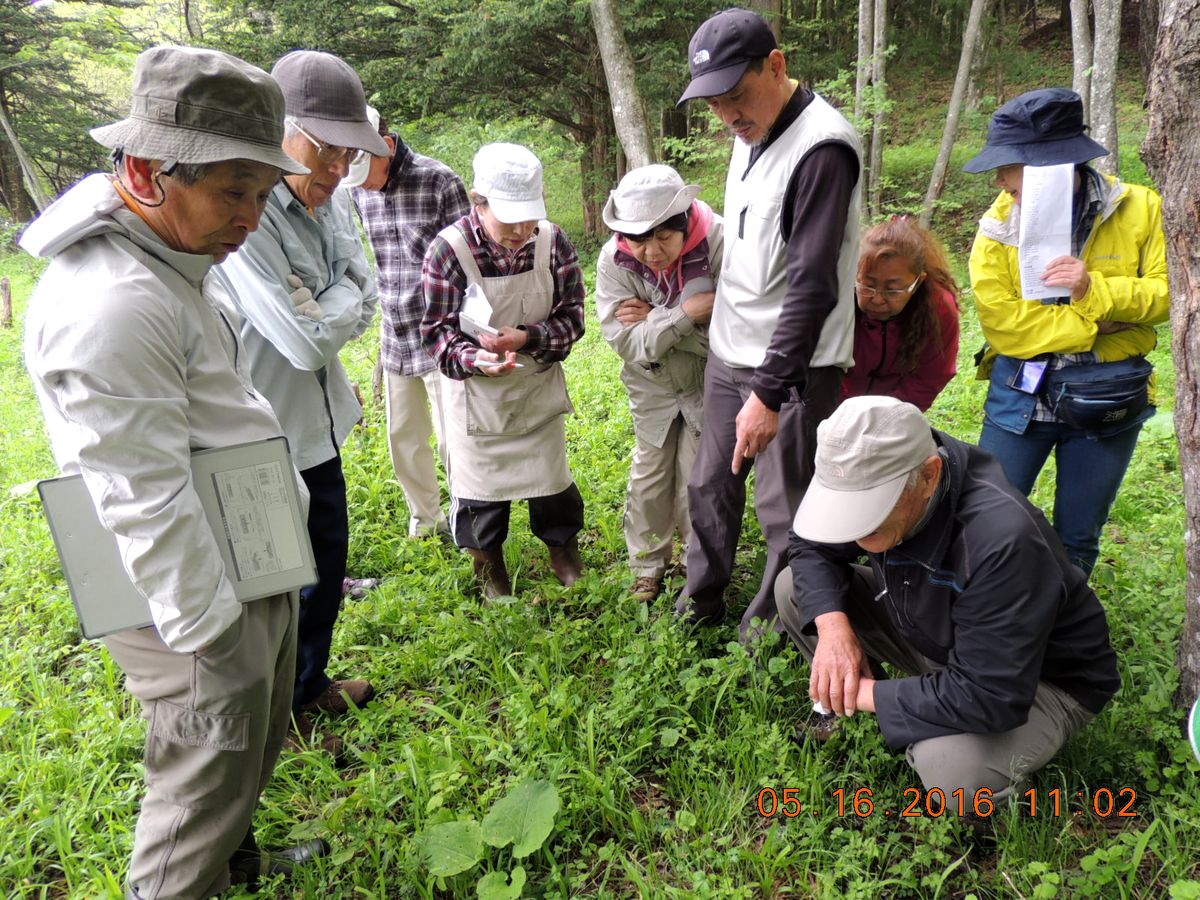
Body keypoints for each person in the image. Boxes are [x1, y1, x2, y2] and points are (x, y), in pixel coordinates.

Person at [22, 46, 330, 897]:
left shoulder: (170, 258)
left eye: (262, 195)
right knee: (202, 774)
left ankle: (234, 862)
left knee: (248, 750)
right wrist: (211, 638)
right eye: (234, 191)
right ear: (149, 173)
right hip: (189, 593)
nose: (250, 217)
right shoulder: (112, 303)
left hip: (241, 550)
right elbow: (142, 495)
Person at [775, 396, 1120, 815]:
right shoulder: (877, 467)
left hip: (1039, 680)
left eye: (870, 510)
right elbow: (810, 543)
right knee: (796, 590)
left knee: (952, 770)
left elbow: (990, 694)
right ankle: (918, 706)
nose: (853, 527)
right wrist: (833, 631)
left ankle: (974, 779)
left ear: (929, 475)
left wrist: (862, 694)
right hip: (934, 629)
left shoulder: (1002, 540)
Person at [675, 8, 862, 635]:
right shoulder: (749, 133)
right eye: (716, 105)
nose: (728, 115)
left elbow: (812, 287)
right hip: (731, 352)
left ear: (776, 66)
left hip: (794, 369)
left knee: (787, 507)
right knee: (710, 487)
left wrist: (770, 392)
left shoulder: (822, 149)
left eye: (737, 96)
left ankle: (773, 627)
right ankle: (700, 603)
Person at [220, 50, 387, 747]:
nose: (335, 170)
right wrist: (330, 303)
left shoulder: (335, 200)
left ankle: (308, 686)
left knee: (326, 558)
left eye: (348, 154)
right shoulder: (248, 215)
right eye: (323, 150)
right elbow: (302, 342)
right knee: (270, 585)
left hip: (319, 423)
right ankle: (267, 714)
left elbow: (366, 287)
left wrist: (324, 298)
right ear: (278, 131)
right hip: (260, 430)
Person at [965, 87, 1170, 575]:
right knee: (985, 522)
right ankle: (985, 625)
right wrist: (1096, 317)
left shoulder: (1140, 208)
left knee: (1078, 536)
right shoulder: (997, 226)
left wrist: (1092, 286)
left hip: (1109, 394)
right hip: (1021, 395)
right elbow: (1004, 324)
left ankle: (1062, 635)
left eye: (1009, 163)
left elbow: (1167, 295)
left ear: (1051, 166)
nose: (999, 179)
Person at [421, 142, 586, 598]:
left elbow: (573, 319)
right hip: (477, 395)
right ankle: (488, 565)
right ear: (479, 202)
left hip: (535, 386)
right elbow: (435, 333)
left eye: (527, 217)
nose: (519, 230)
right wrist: (476, 357)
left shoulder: (553, 242)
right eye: (507, 217)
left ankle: (563, 550)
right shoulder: (449, 250)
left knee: (552, 482)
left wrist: (528, 337)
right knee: (480, 492)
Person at [595, 164, 723, 603]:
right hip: (650, 386)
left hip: (710, 382)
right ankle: (647, 565)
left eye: (663, 238)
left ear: (684, 224)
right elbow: (627, 342)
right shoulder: (613, 260)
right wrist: (687, 314)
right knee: (648, 474)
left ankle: (696, 561)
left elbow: (737, 334)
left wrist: (655, 318)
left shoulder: (721, 243)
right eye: (638, 239)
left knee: (698, 474)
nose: (650, 252)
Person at [348, 106, 470, 538]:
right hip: (394, 332)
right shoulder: (356, 190)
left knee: (455, 437)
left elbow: (469, 263)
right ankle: (426, 519)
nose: (359, 180)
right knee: (404, 436)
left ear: (384, 143)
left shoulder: (439, 180)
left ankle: (468, 521)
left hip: (441, 331)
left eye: (362, 166)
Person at [842, 216, 960, 412]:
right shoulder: (837, 297)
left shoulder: (939, 308)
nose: (877, 299)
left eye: (892, 290)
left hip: (898, 408)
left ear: (917, 283)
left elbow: (930, 378)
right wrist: (844, 414)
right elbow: (821, 369)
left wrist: (886, 417)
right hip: (836, 404)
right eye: (868, 286)